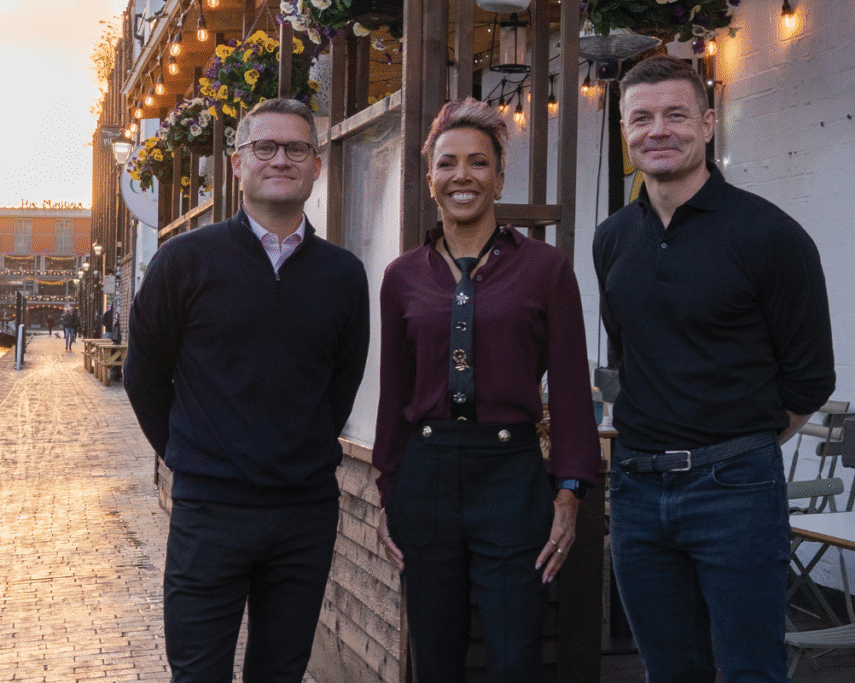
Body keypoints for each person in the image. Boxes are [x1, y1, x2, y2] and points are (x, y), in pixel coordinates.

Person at [593, 55, 836, 683]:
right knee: (670, 672)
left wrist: (730, 446)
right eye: (641, 118)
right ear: (625, 131)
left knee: (750, 671)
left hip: (735, 490)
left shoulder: (770, 235)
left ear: (707, 123)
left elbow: (809, 380)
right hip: (637, 490)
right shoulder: (613, 238)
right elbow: (629, 356)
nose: (658, 130)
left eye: (676, 115)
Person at [123, 97, 370, 683]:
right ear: (237, 164)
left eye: (296, 149)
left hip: (304, 515)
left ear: (316, 166)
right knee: (199, 672)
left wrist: (297, 451)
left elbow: (341, 384)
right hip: (211, 513)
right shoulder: (184, 261)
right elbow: (144, 375)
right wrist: (196, 453)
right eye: (265, 147)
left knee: (280, 673)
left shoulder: (343, 274)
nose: (280, 159)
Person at [373, 98, 601, 682]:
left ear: (499, 177)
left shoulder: (547, 269)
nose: (462, 176)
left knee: (514, 656)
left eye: (478, 163)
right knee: (436, 655)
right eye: (448, 164)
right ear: (430, 181)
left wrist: (569, 491)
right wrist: (388, 491)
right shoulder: (402, 277)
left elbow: (573, 389)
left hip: (512, 477)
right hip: (425, 478)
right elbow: (394, 393)